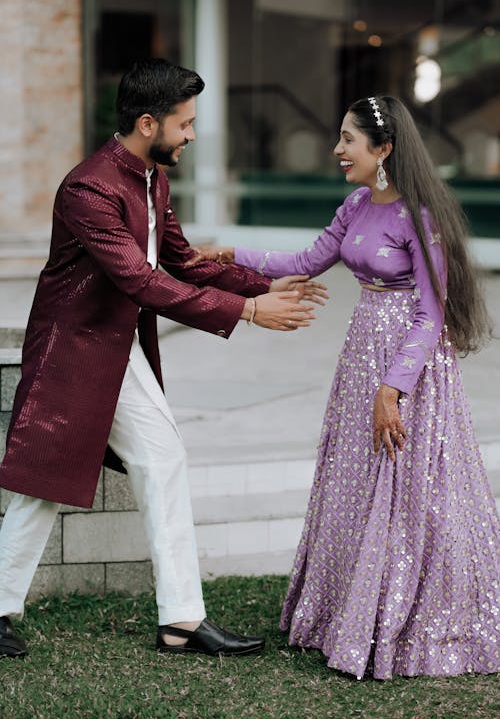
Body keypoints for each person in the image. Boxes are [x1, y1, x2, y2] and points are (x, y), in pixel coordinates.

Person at [0, 59, 326, 660]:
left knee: (164, 460)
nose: (192, 135)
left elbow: (179, 258)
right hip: (72, 351)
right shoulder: (87, 188)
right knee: (41, 485)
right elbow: (142, 282)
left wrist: (261, 287)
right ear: (148, 123)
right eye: (186, 124)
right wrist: (250, 314)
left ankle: (181, 622)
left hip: (116, 350)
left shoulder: (153, 177)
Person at [187, 95, 500, 679]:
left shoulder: (420, 217)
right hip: (360, 356)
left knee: (405, 485)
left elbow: (432, 317)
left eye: (348, 141)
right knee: (357, 479)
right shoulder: (357, 204)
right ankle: (346, 610)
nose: (337, 150)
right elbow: (307, 257)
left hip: (408, 367)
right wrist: (230, 252)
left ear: (383, 150)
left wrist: (393, 389)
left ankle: (408, 616)